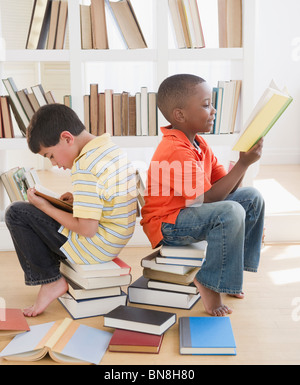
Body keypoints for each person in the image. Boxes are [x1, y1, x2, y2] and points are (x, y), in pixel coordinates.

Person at [141, 74, 265, 316]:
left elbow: (227, 187)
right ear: (180, 115)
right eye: (206, 104)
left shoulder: (199, 144)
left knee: (251, 197)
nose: (214, 111)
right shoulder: (175, 149)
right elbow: (211, 198)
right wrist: (243, 163)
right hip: (168, 224)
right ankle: (209, 284)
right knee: (230, 211)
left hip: (190, 213)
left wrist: (244, 162)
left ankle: (232, 273)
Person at [5, 104, 137, 317]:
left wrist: (45, 207)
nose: (55, 164)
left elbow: (86, 229)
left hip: (96, 246)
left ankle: (51, 281)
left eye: (50, 156)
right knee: (38, 210)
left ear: (67, 138)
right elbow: (111, 194)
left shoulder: (84, 166)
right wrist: (79, 199)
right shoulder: (109, 149)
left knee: (17, 212)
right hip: (114, 240)